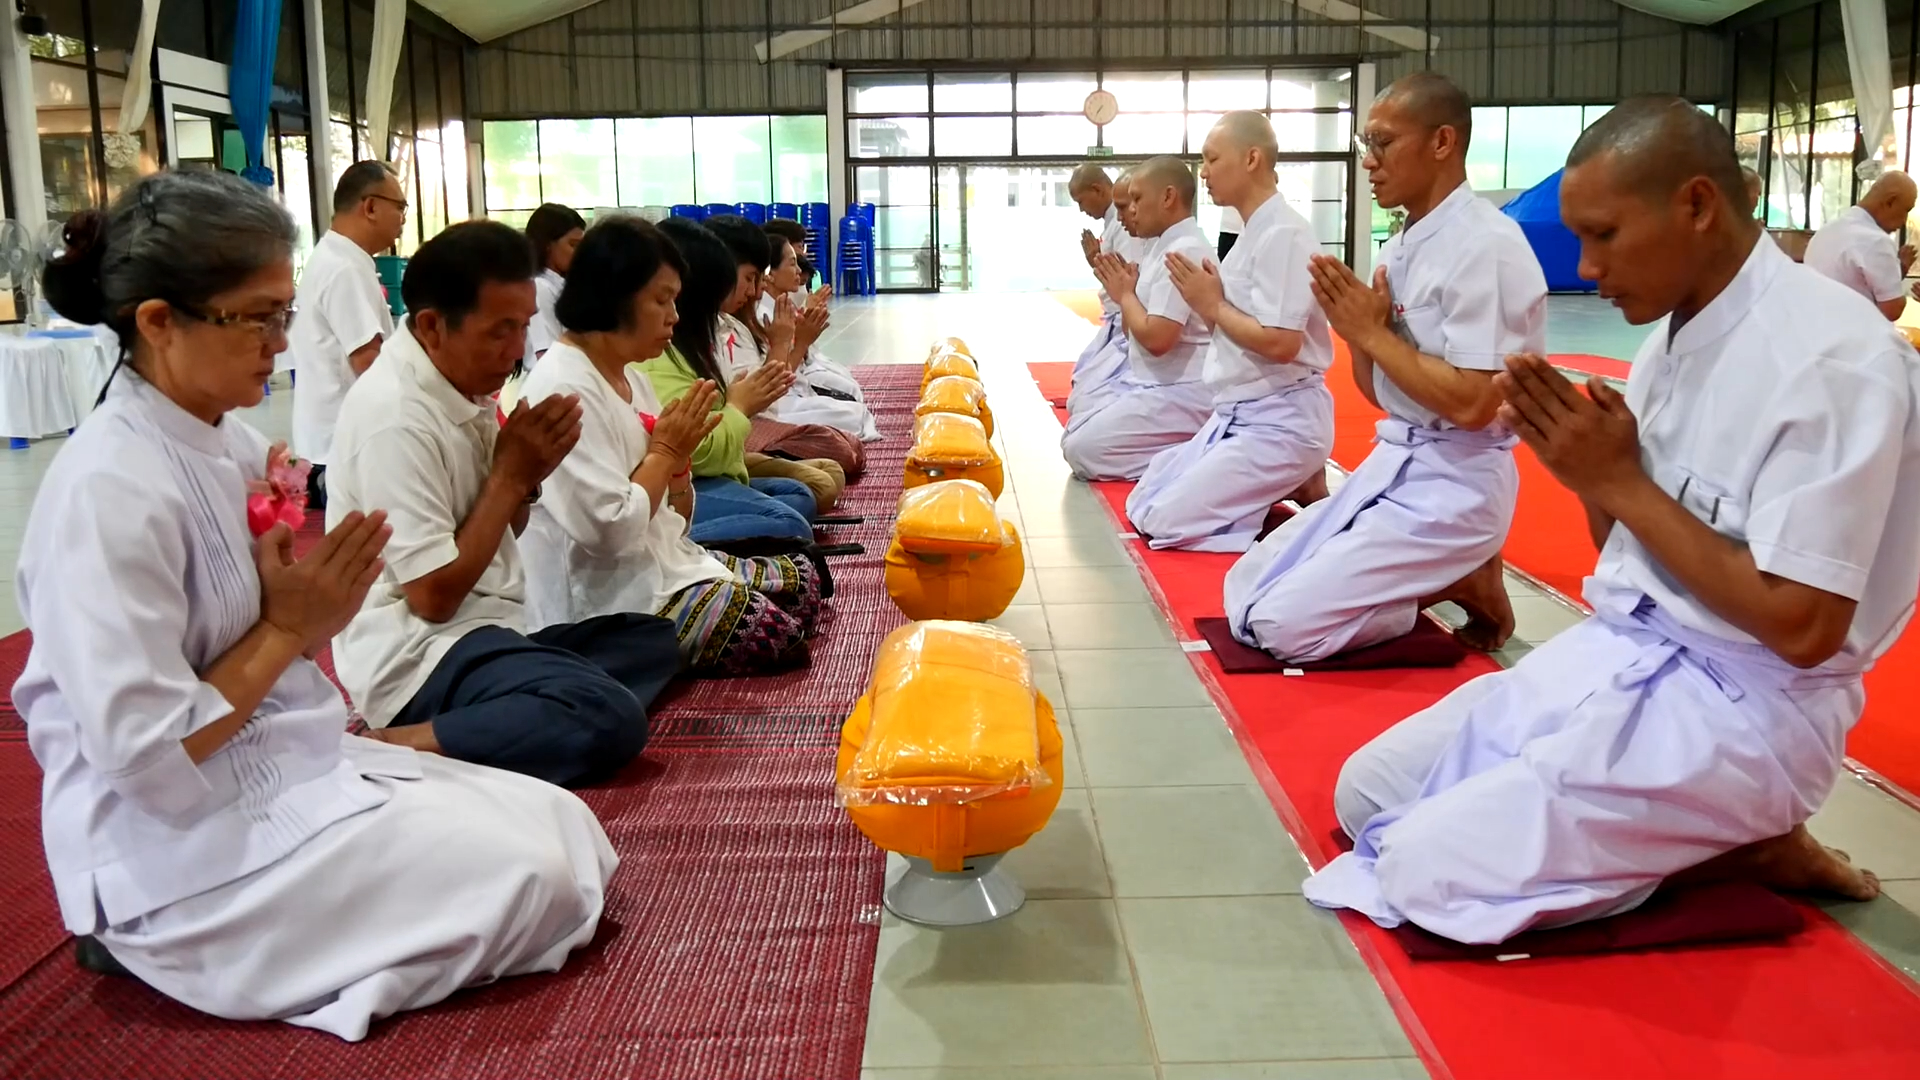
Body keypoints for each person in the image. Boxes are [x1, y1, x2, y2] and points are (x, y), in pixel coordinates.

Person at [15, 170, 615, 1041]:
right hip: (178, 843)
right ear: (156, 323)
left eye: (283, 315)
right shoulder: (107, 492)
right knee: (539, 882)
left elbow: (269, 634)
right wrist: (293, 628)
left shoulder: (231, 443)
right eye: (256, 317)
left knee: (566, 826)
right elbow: (143, 757)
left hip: (284, 764)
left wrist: (299, 624)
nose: (279, 343)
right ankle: (154, 943)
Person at [1310, 97, 1911, 945]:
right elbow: (1626, 553)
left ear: (1696, 205)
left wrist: (1620, 481)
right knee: (1367, 792)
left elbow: (1803, 626)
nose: (1586, 268)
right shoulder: (1673, 338)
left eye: (1603, 236)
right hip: (1625, 650)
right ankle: (1681, 835)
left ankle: (1750, 840)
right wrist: (1586, 475)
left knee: (1423, 870)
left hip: (1749, 711)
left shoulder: (1837, 360)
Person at [326, 220, 680, 788]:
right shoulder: (394, 419)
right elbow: (433, 598)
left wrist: (529, 477)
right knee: (611, 716)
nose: (517, 350)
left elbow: (505, 526)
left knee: (653, 637)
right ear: (432, 326)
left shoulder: (465, 386)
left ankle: (523, 706)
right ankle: (397, 743)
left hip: (491, 627)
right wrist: (513, 477)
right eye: (499, 331)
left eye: (522, 327)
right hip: (420, 657)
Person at [1222, 73, 1547, 661]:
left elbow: (1475, 406)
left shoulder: (1487, 245)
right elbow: (1379, 394)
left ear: (1443, 142)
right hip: (1396, 461)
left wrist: (1371, 331)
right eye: (1366, 144)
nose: (1369, 161)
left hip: (1458, 483)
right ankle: (1442, 578)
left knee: (1282, 626)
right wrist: (1362, 338)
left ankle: (1461, 578)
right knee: (1244, 590)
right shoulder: (1398, 249)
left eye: (1383, 143)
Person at [518, 217, 823, 673]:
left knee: (803, 582)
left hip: (661, 559)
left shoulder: (631, 378)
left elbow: (676, 520)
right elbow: (608, 534)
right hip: (603, 598)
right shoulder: (564, 390)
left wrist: (677, 460)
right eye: (661, 300)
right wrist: (664, 453)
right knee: (773, 633)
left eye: (676, 301)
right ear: (615, 296)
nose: (674, 317)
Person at [1126, 112, 1336, 552]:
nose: (1203, 172)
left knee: (1165, 521)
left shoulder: (1283, 234)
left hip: (1282, 418)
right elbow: (1234, 330)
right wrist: (1211, 306)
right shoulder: (1249, 235)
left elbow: (1282, 343)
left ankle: (1303, 499)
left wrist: (1211, 304)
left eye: (1211, 158)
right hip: (1241, 412)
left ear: (1251, 159)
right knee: (1144, 500)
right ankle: (1287, 485)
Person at [641, 217, 816, 545]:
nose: (753, 290)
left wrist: (798, 341)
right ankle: (680, 546)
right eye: (750, 278)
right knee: (792, 519)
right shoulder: (658, 348)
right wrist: (741, 404)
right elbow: (698, 445)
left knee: (800, 494)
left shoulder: (708, 329)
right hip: (712, 461)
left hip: (721, 458)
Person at [1060, 157, 1217, 480]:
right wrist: (1125, 293)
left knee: (1081, 451)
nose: (1129, 211)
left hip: (1182, 388)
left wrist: (1126, 295)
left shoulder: (1182, 250)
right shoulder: (1162, 246)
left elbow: (1158, 340)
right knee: (1079, 416)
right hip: (1153, 379)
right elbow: (1136, 329)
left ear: (1168, 197)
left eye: (1136, 200)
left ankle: (1204, 450)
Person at [285, 160, 405, 510]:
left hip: (328, 437)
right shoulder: (346, 269)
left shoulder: (335, 257)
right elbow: (369, 362)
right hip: (346, 443)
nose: (402, 218)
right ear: (370, 207)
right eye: (399, 207)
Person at [764, 217, 868, 407]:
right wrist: (803, 333)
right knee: (851, 410)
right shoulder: (762, 311)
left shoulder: (781, 296)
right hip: (783, 393)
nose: (803, 253)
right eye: (798, 247)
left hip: (800, 370)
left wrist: (806, 322)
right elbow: (776, 373)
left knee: (851, 391)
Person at [1065, 167, 1141, 423]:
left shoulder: (1124, 227)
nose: (1127, 217)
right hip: (1120, 317)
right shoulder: (1114, 225)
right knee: (1082, 382)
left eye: (1081, 201)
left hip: (1128, 320)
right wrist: (1096, 261)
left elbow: (1130, 280)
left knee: (1087, 394)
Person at [1801, 170, 1916, 320]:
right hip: (1852, 337)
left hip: (1817, 330)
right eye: (1905, 210)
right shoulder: (1876, 241)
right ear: (1890, 201)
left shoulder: (1825, 232)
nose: (1903, 222)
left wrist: (1897, 270)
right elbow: (1892, 310)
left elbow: (1856, 283)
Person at [523, 202, 586, 365]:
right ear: (548, 246)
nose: (580, 253)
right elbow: (545, 355)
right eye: (573, 245)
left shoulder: (564, 285)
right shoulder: (540, 288)